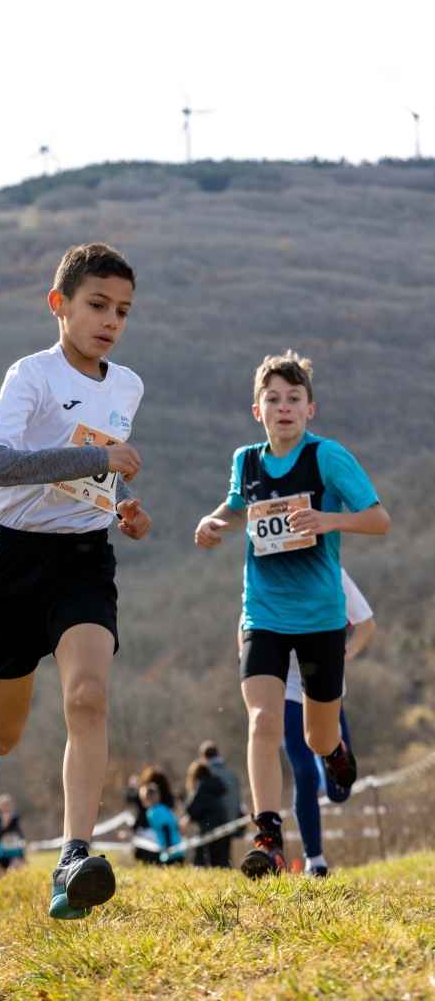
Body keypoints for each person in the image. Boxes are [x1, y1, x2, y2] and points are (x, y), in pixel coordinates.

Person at [0, 243, 152, 919]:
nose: (111, 320)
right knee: (3, 736)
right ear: (59, 304)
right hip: (12, 563)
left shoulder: (128, 384)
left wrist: (119, 501)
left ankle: (73, 858)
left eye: (123, 310)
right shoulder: (31, 375)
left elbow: (95, 468)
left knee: (89, 695)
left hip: (83, 560)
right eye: (97, 304)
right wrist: (97, 455)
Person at [195, 350, 389, 878]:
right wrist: (214, 523)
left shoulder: (328, 457)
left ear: (310, 408)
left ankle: (338, 751)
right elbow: (238, 507)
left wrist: (326, 519)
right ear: (257, 411)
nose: (283, 407)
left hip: (323, 617)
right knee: (262, 719)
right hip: (262, 613)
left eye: (293, 399)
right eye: (273, 399)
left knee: (316, 739)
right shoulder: (247, 460)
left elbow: (379, 519)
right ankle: (269, 837)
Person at [282, 567, 375, 877]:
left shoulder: (330, 569)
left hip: (326, 691)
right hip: (287, 691)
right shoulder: (266, 567)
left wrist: (344, 655)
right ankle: (315, 861)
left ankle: (331, 757)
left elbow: (366, 625)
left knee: (339, 792)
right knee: (304, 772)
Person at [198, 741, 244, 865]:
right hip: (231, 823)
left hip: (212, 826)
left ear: (204, 757)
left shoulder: (206, 776)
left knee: (211, 862)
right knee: (225, 859)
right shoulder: (233, 776)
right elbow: (240, 803)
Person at [125, 767, 175, 865]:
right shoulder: (167, 796)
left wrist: (132, 786)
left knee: (147, 860)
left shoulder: (144, 792)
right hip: (162, 831)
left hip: (145, 831)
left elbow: (129, 796)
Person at [182, 762, 228, 867]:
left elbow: (191, 807)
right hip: (223, 823)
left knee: (204, 860)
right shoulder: (215, 785)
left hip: (209, 827)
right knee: (222, 860)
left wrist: (189, 817)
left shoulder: (201, 785)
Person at [140, 783, 185, 865]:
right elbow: (175, 825)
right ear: (159, 796)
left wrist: (168, 848)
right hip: (178, 848)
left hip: (170, 852)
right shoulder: (165, 808)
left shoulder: (153, 812)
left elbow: (165, 827)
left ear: (143, 800)